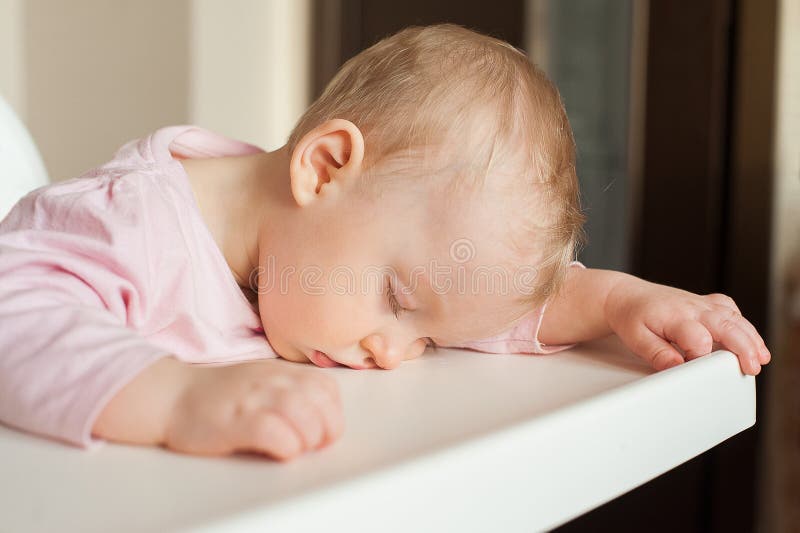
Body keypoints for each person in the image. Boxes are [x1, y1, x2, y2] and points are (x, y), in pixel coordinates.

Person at [0, 24, 770, 461]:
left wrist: (612, 297)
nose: (397, 350)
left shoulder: (313, 257)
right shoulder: (131, 225)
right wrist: (174, 397)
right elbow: (13, 310)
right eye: (397, 300)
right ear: (326, 166)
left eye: (424, 330)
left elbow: (466, 290)